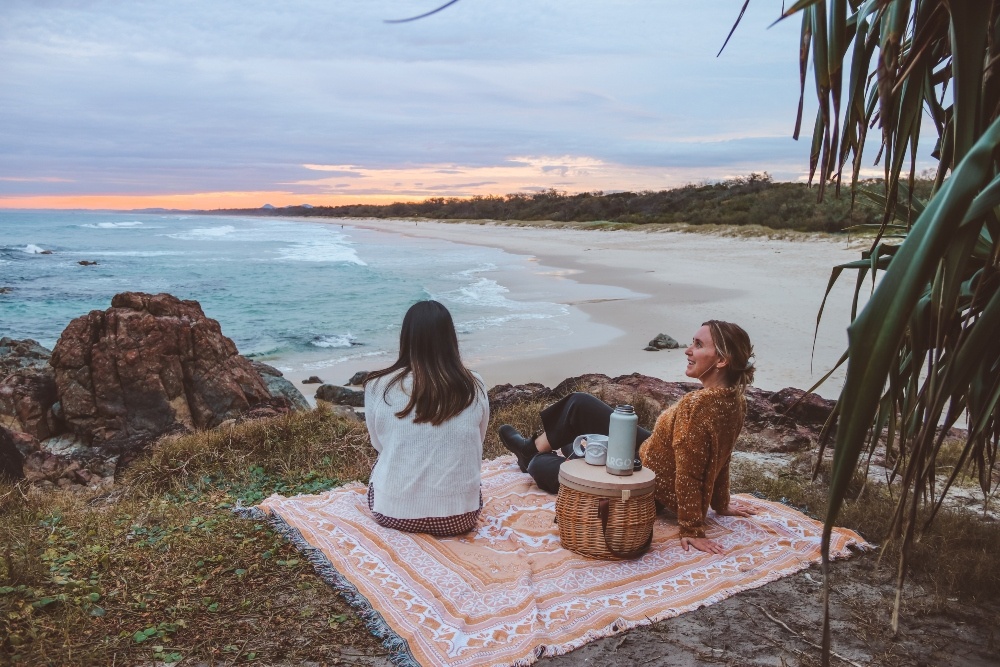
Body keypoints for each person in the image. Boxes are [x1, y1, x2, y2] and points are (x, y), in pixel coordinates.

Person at [499, 320, 757, 554]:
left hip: (646, 483)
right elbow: (722, 458)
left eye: (698, 345)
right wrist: (721, 504)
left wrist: (692, 529)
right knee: (580, 404)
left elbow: (690, 471)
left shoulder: (698, 406)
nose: (688, 350)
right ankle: (534, 448)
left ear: (721, 360)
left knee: (539, 465)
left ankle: (532, 455)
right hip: (651, 454)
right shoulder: (735, 400)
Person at [364, 300, 489, 536]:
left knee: (384, 461)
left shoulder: (377, 385)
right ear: (450, 338)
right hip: (460, 516)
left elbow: (378, 444)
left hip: (393, 513)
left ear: (407, 338)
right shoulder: (474, 384)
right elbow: (478, 440)